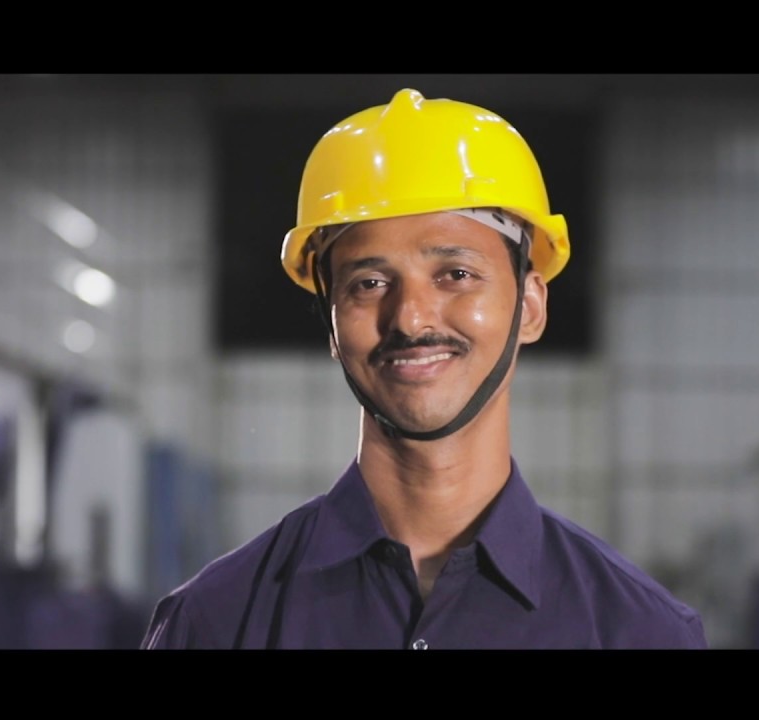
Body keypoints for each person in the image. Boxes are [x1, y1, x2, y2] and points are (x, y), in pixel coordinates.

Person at [140, 88, 707, 649]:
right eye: (369, 283)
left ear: (531, 307)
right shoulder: (214, 623)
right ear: (332, 322)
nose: (410, 318)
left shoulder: (640, 632)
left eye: (456, 274)